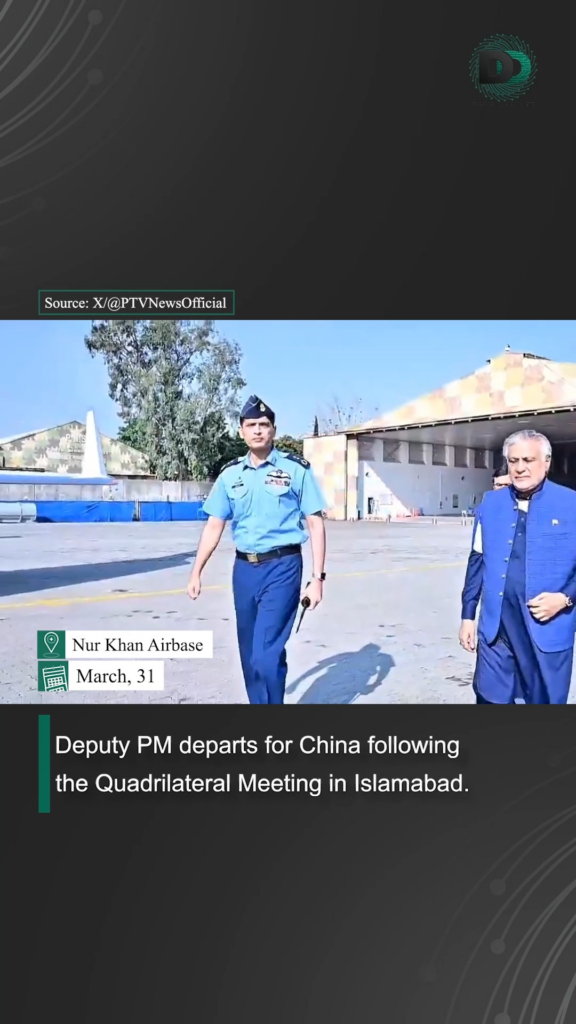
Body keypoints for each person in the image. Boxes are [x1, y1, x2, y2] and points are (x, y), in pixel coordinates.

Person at [186, 395, 327, 704]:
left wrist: (317, 579)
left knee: (266, 654)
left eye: (264, 424)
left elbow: (315, 524)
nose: (258, 430)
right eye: (251, 425)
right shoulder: (230, 474)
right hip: (244, 571)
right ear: (241, 431)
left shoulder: (296, 470)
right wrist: (196, 571)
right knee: (249, 654)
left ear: (273, 430)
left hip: (283, 567)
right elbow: (214, 525)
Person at [458, 430, 576, 704]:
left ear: (546, 462)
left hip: (546, 629)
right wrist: (467, 615)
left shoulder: (571, 504)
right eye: (513, 461)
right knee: (489, 699)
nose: (520, 468)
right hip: (496, 630)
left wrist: (565, 598)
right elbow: (477, 560)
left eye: (528, 460)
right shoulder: (490, 504)